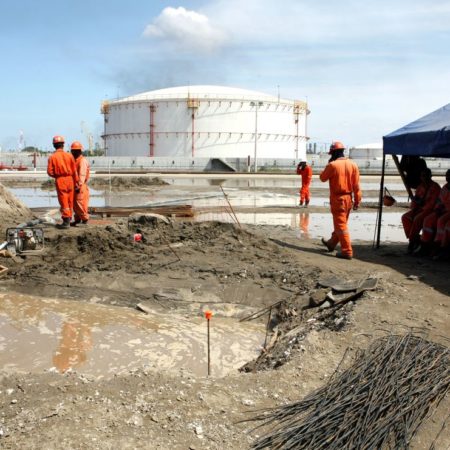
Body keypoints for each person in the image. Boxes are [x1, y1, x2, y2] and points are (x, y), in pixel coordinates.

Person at [319, 141, 362, 260]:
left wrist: (328, 165)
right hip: (349, 199)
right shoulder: (353, 165)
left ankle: (347, 251)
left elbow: (322, 178)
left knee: (341, 226)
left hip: (338, 200)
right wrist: (357, 201)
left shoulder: (332, 165)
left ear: (333, 153)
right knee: (341, 224)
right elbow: (357, 186)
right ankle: (332, 243)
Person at [401, 168, 440, 253]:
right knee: (405, 217)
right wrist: (414, 209)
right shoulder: (420, 186)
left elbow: (432, 204)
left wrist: (421, 207)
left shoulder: (435, 187)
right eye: (423, 176)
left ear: (430, 176)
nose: (424, 177)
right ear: (420, 177)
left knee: (417, 219)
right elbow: (416, 200)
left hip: (429, 210)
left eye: (426, 175)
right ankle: (415, 238)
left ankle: (412, 242)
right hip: (418, 209)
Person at [414, 169, 450, 256]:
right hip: (442, 210)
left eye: (449, 176)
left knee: (441, 221)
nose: (447, 177)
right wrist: (437, 209)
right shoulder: (445, 188)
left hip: (447, 212)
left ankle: (441, 246)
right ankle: (424, 244)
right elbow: (439, 201)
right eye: (447, 175)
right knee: (428, 219)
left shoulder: (435, 186)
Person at [47, 135, 78, 229]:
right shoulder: (69, 156)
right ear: (63, 145)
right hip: (70, 180)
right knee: (70, 201)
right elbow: (74, 171)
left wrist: (57, 175)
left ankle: (66, 221)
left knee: (64, 201)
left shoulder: (52, 157)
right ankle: (68, 218)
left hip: (61, 180)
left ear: (54, 145)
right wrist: (76, 183)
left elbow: (50, 172)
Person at [70, 141, 90, 226]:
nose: (73, 152)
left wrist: (79, 185)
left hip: (80, 186)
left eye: (74, 151)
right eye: (72, 151)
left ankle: (85, 220)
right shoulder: (75, 160)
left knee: (80, 203)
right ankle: (77, 219)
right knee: (75, 204)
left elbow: (82, 174)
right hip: (76, 185)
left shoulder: (82, 161)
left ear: (79, 151)